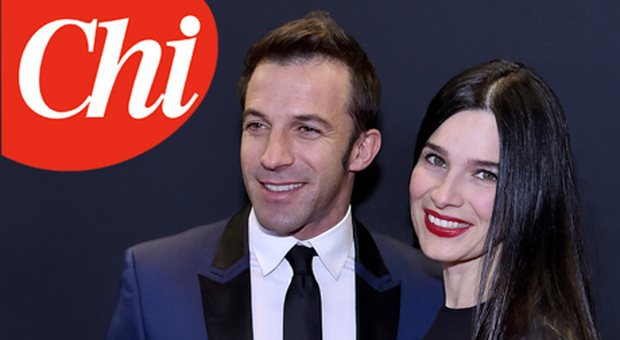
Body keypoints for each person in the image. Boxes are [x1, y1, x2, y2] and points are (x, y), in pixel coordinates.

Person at [106, 11, 443, 340]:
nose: (272, 156)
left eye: (307, 129)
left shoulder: (431, 291)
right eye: (257, 126)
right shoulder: (156, 281)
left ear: (361, 150)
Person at [409, 59, 599, 339]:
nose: (443, 195)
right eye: (436, 159)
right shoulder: (408, 312)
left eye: (484, 175)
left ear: (531, 192)